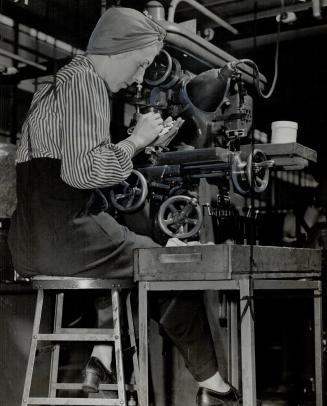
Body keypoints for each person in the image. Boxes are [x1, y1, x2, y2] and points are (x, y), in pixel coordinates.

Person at [8, 7, 240, 406]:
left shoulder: (55, 85)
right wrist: (136, 139)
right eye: (140, 64)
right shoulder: (87, 83)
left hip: (30, 242)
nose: (138, 77)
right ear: (119, 49)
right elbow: (84, 172)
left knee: (133, 261)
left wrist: (140, 143)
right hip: (67, 236)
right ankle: (215, 388)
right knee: (165, 268)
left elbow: (60, 170)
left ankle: (104, 356)